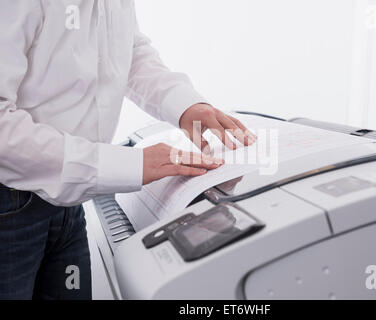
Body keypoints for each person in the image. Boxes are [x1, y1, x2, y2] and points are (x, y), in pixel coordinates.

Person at [0, 0, 256, 300]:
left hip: (69, 202)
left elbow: (128, 52)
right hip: (10, 206)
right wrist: (124, 166)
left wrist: (184, 105)